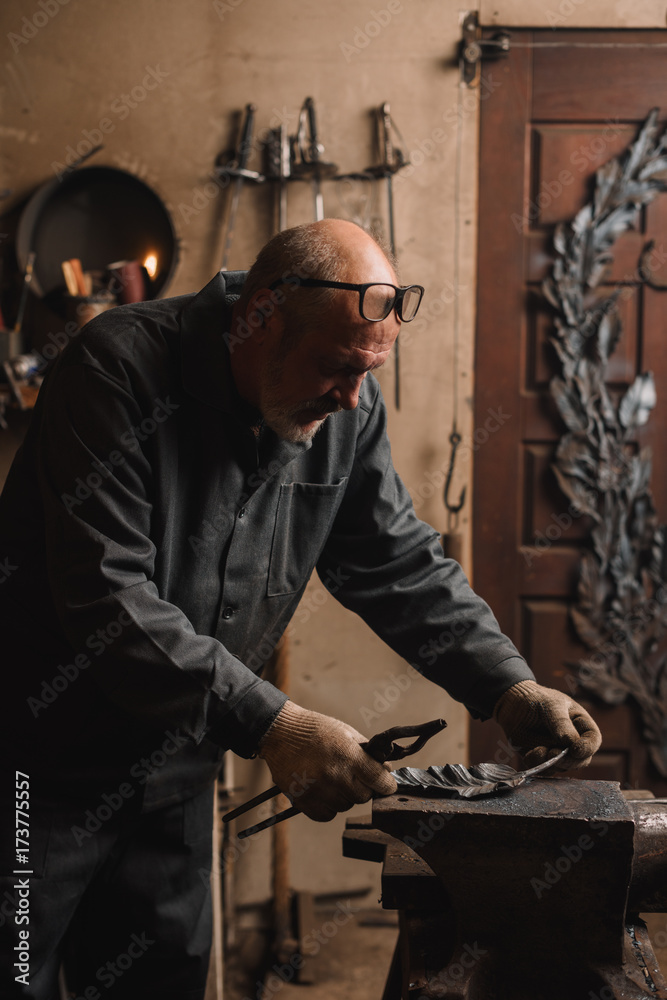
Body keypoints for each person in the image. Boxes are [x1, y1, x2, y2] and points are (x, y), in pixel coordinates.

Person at [0, 219, 601, 998]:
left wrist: (506, 685)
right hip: (40, 764)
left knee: (157, 981)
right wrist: (274, 725)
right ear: (260, 316)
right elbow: (106, 593)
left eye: (368, 371)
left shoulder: (345, 406)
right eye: (335, 367)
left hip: (179, 761)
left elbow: (394, 558)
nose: (351, 399)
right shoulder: (116, 365)